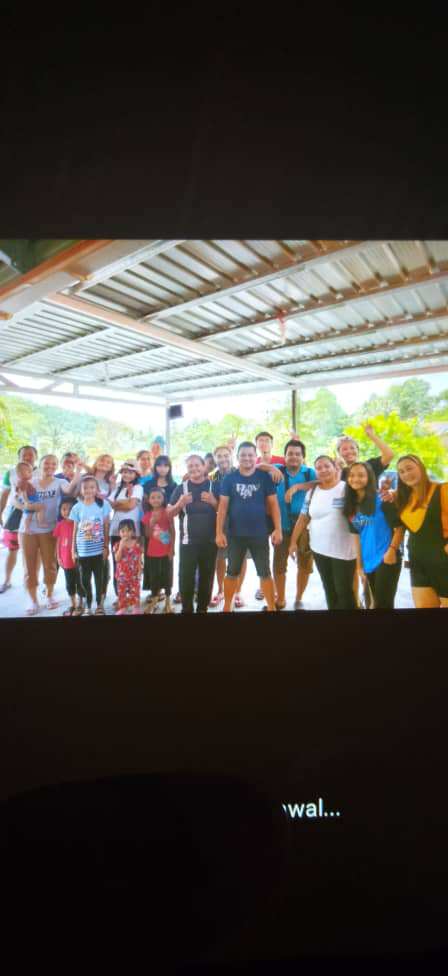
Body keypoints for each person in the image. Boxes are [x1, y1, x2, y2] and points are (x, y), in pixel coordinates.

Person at [216, 441, 282, 613]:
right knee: (232, 572)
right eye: (243, 455)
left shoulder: (264, 477)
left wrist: (278, 529)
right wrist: (219, 533)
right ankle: (227, 607)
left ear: (255, 457)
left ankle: (272, 607)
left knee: (265, 573)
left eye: (250, 455)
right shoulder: (229, 479)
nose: (247, 458)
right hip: (235, 534)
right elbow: (222, 508)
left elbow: (274, 505)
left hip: (260, 534)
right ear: (237, 457)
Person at [289, 456, 358, 610]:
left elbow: (363, 512)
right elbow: (302, 519)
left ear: (335, 468)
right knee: (329, 589)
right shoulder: (312, 492)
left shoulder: (347, 489)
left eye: (327, 466)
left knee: (344, 592)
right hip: (319, 549)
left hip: (343, 552)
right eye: (319, 468)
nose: (323, 470)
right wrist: (293, 542)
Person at [15, 454, 81, 615]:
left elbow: (70, 490)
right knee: (29, 566)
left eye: (53, 464)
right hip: (28, 530)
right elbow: (15, 501)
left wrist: (78, 471)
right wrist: (30, 507)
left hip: (49, 529)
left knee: (50, 565)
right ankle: (33, 600)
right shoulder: (30, 481)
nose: (50, 466)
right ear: (40, 464)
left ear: (57, 466)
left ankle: (49, 595)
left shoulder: (60, 482)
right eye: (46, 463)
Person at [343, 462, 404, 609]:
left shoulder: (382, 498)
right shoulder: (351, 505)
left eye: (361, 475)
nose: (355, 479)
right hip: (368, 559)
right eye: (352, 475)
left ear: (369, 477)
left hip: (387, 558)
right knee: (374, 602)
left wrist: (391, 551)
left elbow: (400, 527)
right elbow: (356, 536)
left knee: (384, 604)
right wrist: (359, 566)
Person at [393, 454, 448, 609]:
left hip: (444, 562)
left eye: (409, 468)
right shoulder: (404, 498)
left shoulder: (443, 489)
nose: (406, 474)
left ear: (421, 467)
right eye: (401, 471)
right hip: (418, 564)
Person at [168, 455, 219, 614]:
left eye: (197, 465)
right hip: (188, 542)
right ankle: (186, 609)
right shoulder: (181, 488)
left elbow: (225, 510)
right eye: (190, 466)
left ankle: (202, 608)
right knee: (186, 577)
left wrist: (214, 502)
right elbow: (169, 513)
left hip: (210, 541)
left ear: (204, 467)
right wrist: (180, 503)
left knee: (207, 576)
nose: (194, 468)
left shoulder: (214, 486)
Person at [272, 440, 318, 610]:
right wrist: (270, 468)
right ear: (284, 456)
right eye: (290, 453)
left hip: (305, 528)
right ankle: (281, 598)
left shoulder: (309, 473)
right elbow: (259, 466)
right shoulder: (278, 470)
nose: (294, 457)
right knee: (279, 565)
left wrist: (298, 487)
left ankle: (299, 597)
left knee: (305, 565)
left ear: (303, 457)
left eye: (298, 454)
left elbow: (321, 482)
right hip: (282, 526)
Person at [209, 445, 247, 608]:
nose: (223, 459)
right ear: (215, 458)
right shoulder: (213, 477)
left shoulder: (241, 472)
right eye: (219, 456)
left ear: (232, 456)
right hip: (221, 522)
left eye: (226, 455)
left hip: (241, 521)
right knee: (220, 558)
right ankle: (221, 591)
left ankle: (237, 592)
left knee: (241, 557)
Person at [70, 476, 111, 616]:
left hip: (99, 551)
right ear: (81, 490)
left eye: (92, 487)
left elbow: (106, 527)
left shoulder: (103, 505)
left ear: (97, 489)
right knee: (84, 580)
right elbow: (75, 530)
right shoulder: (76, 508)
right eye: (85, 488)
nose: (89, 490)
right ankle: (88, 605)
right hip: (83, 552)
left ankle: (99, 605)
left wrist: (106, 547)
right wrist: (73, 549)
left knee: (100, 579)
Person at [0, 445, 38, 595]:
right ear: (19, 457)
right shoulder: (10, 473)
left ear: (36, 457)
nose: (27, 457)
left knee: (35, 552)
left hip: (34, 516)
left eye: (31, 454)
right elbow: (4, 494)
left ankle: (32, 581)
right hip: (15, 515)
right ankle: (7, 580)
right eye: (24, 455)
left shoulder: (41, 472)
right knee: (12, 549)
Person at [108, 461, 143, 605]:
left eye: (130, 472)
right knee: (118, 564)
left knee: (133, 563)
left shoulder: (138, 488)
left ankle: (132, 596)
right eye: (124, 472)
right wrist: (124, 503)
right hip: (116, 530)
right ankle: (120, 596)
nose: (127, 474)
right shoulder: (117, 487)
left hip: (132, 531)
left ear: (135, 474)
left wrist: (119, 504)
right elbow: (110, 504)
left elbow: (131, 505)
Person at [141, 487, 175, 614]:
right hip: (152, 552)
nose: (156, 500)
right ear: (149, 500)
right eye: (153, 497)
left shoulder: (168, 512)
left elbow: (172, 531)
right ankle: (154, 600)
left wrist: (172, 549)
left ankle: (168, 602)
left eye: (159, 497)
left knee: (167, 576)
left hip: (166, 551)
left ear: (163, 499)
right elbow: (147, 535)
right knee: (154, 577)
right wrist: (151, 523)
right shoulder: (147, 515)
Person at [53, 497, 84, 616]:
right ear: (60, 510)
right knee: (69, 583)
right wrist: (58, 557)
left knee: (80, 582)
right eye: (64, 509)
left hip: (79, 560)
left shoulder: (80, 523)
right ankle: (73, 604)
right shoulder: (60, 524)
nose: (67, 511)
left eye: (70, 509)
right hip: (66, 560)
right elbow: (58, 541)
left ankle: (81, 604)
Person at [113, 519, 143, 615]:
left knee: (135, 592)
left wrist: (140, 571)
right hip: (121, 575)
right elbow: (117, 559)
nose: (125, 533)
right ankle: (123, 608)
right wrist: (121, 547)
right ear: (119, 533)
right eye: (123, 531)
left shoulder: (137, 544)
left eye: (128, 530)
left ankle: (136, 607)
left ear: (133, 531)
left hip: (134, 574)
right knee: (121, 593)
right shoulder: (117, 545)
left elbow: (139, 559)